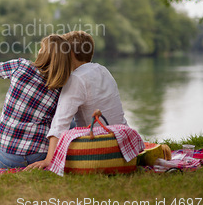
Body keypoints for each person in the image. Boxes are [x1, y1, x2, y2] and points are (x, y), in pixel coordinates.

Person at [25, 30, 128, 170]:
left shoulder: (76, 79)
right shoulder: (103, 70)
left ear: (70, 53)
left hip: (98, 143)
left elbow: (60, 123)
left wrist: (49, 160)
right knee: (73, 122)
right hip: (120, 138)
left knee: (53, 123)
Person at [0, 34, 72, 169]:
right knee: (71, 123)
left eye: (41, 48)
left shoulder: (21, 66)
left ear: (43, 53)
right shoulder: (63, 86)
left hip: (6, 159)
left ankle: (8, 166)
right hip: (39, 156)